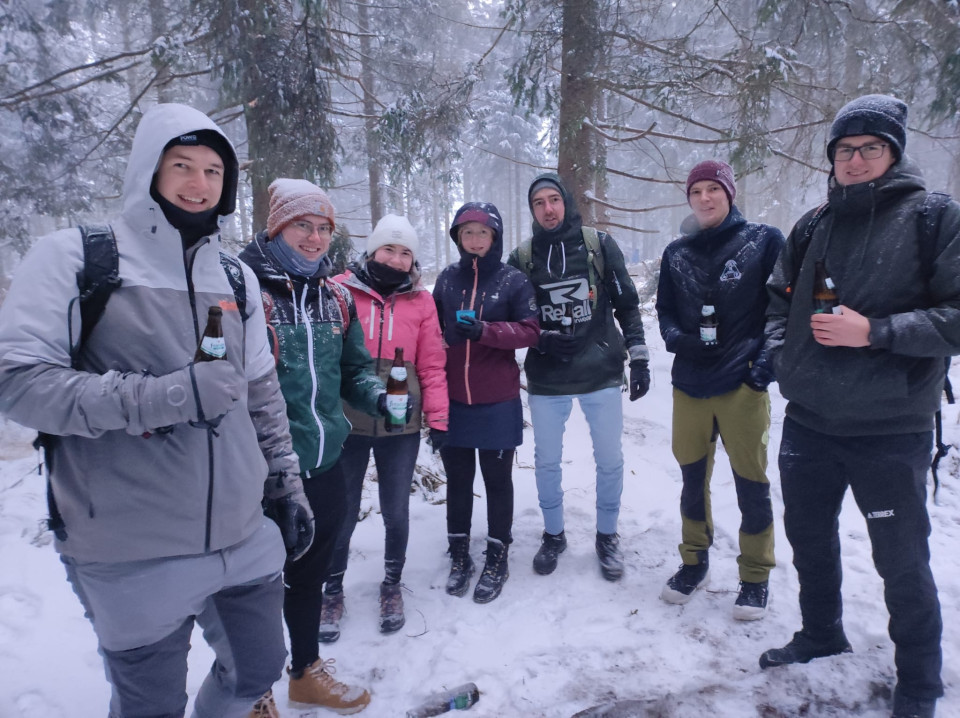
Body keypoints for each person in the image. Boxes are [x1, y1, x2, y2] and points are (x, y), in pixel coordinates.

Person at [0, 103, 315, 717]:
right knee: (151, 706)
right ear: (149, 169)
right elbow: (19, 382)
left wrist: (285, 481)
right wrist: (164, 396)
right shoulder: (78, 258)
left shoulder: (235, 277)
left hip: (242, 533)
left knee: (256, 672)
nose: (199, 184)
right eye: (182, 166)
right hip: (130, 547)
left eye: (213, 171)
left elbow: (261, 391)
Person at [759, 95, 960, 718]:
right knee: (809, 541)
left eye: (871, 147)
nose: (855, 159)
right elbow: (776, 300)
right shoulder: (814, 223)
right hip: (809, 422)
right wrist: (783, 356)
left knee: (901, 562)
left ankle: (919, 684)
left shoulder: (933, 218)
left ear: (894, 152)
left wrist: (875, 331)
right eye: (845, 149)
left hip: (890, 427)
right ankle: (822, 633)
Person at [240, 179, 389, 715]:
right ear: (276, 227)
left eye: (324, 227)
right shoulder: (245, 292)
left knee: (308, 577)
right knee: (253, 587)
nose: (314, 238)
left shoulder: (336, 298)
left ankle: (304, 672)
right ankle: (252, 690)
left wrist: (379, 397)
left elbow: (353, 371)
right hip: (257, 474)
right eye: (302, 225)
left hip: (326, 465)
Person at [655, 160, 784, 619]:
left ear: (729, 193)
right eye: (696, 191)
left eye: (713, 189)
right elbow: (665, 311)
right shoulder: (676, 253)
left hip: (741, 383)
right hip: (689, 384)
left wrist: (761, 370)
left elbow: (782, 309)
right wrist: (679, 340)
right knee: (692, 479)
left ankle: (755, 575)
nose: (705, 198)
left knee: (751, 482)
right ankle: (694, 562)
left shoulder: (763, 241)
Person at [507, 174, 650, 582]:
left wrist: (638, 357)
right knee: (547, 461)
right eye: (539, 203)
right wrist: (541, 339)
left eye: (554, 199)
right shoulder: (523, 257)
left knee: (609, 459)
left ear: (566, 202)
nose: (548, 209)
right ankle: (554, 535)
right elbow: (511, 316)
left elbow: (627, 304)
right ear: (532, 210)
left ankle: (607, 536)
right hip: (547, 376)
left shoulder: (598, 246)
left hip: (600, 371)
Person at [321, 213, 449, 639]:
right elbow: (325, 358)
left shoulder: (422, 301)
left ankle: (392, 585)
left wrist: (438, 418)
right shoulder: (338, 289)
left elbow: (432, 364)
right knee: (340, 511)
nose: (396, 259)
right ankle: (331, 589)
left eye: (405, 252)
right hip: (347, 418)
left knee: (396, 510)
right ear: (372, 249)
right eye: (388, 249)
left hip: (400, 421)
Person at [433, 202, 540, 603]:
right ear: (457, 238)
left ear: (495, 237)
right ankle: (459, 553)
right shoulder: (447, 280)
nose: (475, 240)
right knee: (458, 481)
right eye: (467, 233)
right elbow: (431, 329)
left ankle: (498, 555)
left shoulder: (513, 281)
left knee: (497, 482)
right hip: (453, 400)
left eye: (483, 233)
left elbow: (530, 331)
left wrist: (484, 331)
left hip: (497, 400)